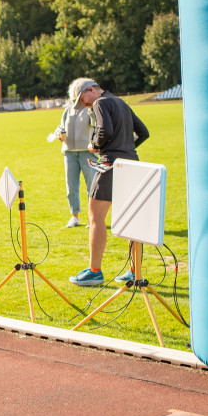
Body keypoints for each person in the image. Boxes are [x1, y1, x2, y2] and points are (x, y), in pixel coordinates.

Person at [69, 81, 150, 287]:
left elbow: (104, 131)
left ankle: (95, 271)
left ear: (90, 90)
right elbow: (144, 132)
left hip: (110, 164)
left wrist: (94, 146)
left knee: (95, 217)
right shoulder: (121, 102)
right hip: (132, 163)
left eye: (82, 100)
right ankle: (135, 271)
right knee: (131, 218)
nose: (85, 105)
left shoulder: (100, 103)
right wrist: (127, 148)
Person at [56, 78, 98, 228]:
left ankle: (92, 218)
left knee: (91, 186)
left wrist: (92, 111)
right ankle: (74, 216)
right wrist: (60, 133)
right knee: (71, 186)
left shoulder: (91, 108)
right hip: (69, 153)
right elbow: (60, 126)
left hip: (86, 152)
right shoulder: (68, 110)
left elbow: (96, 125)